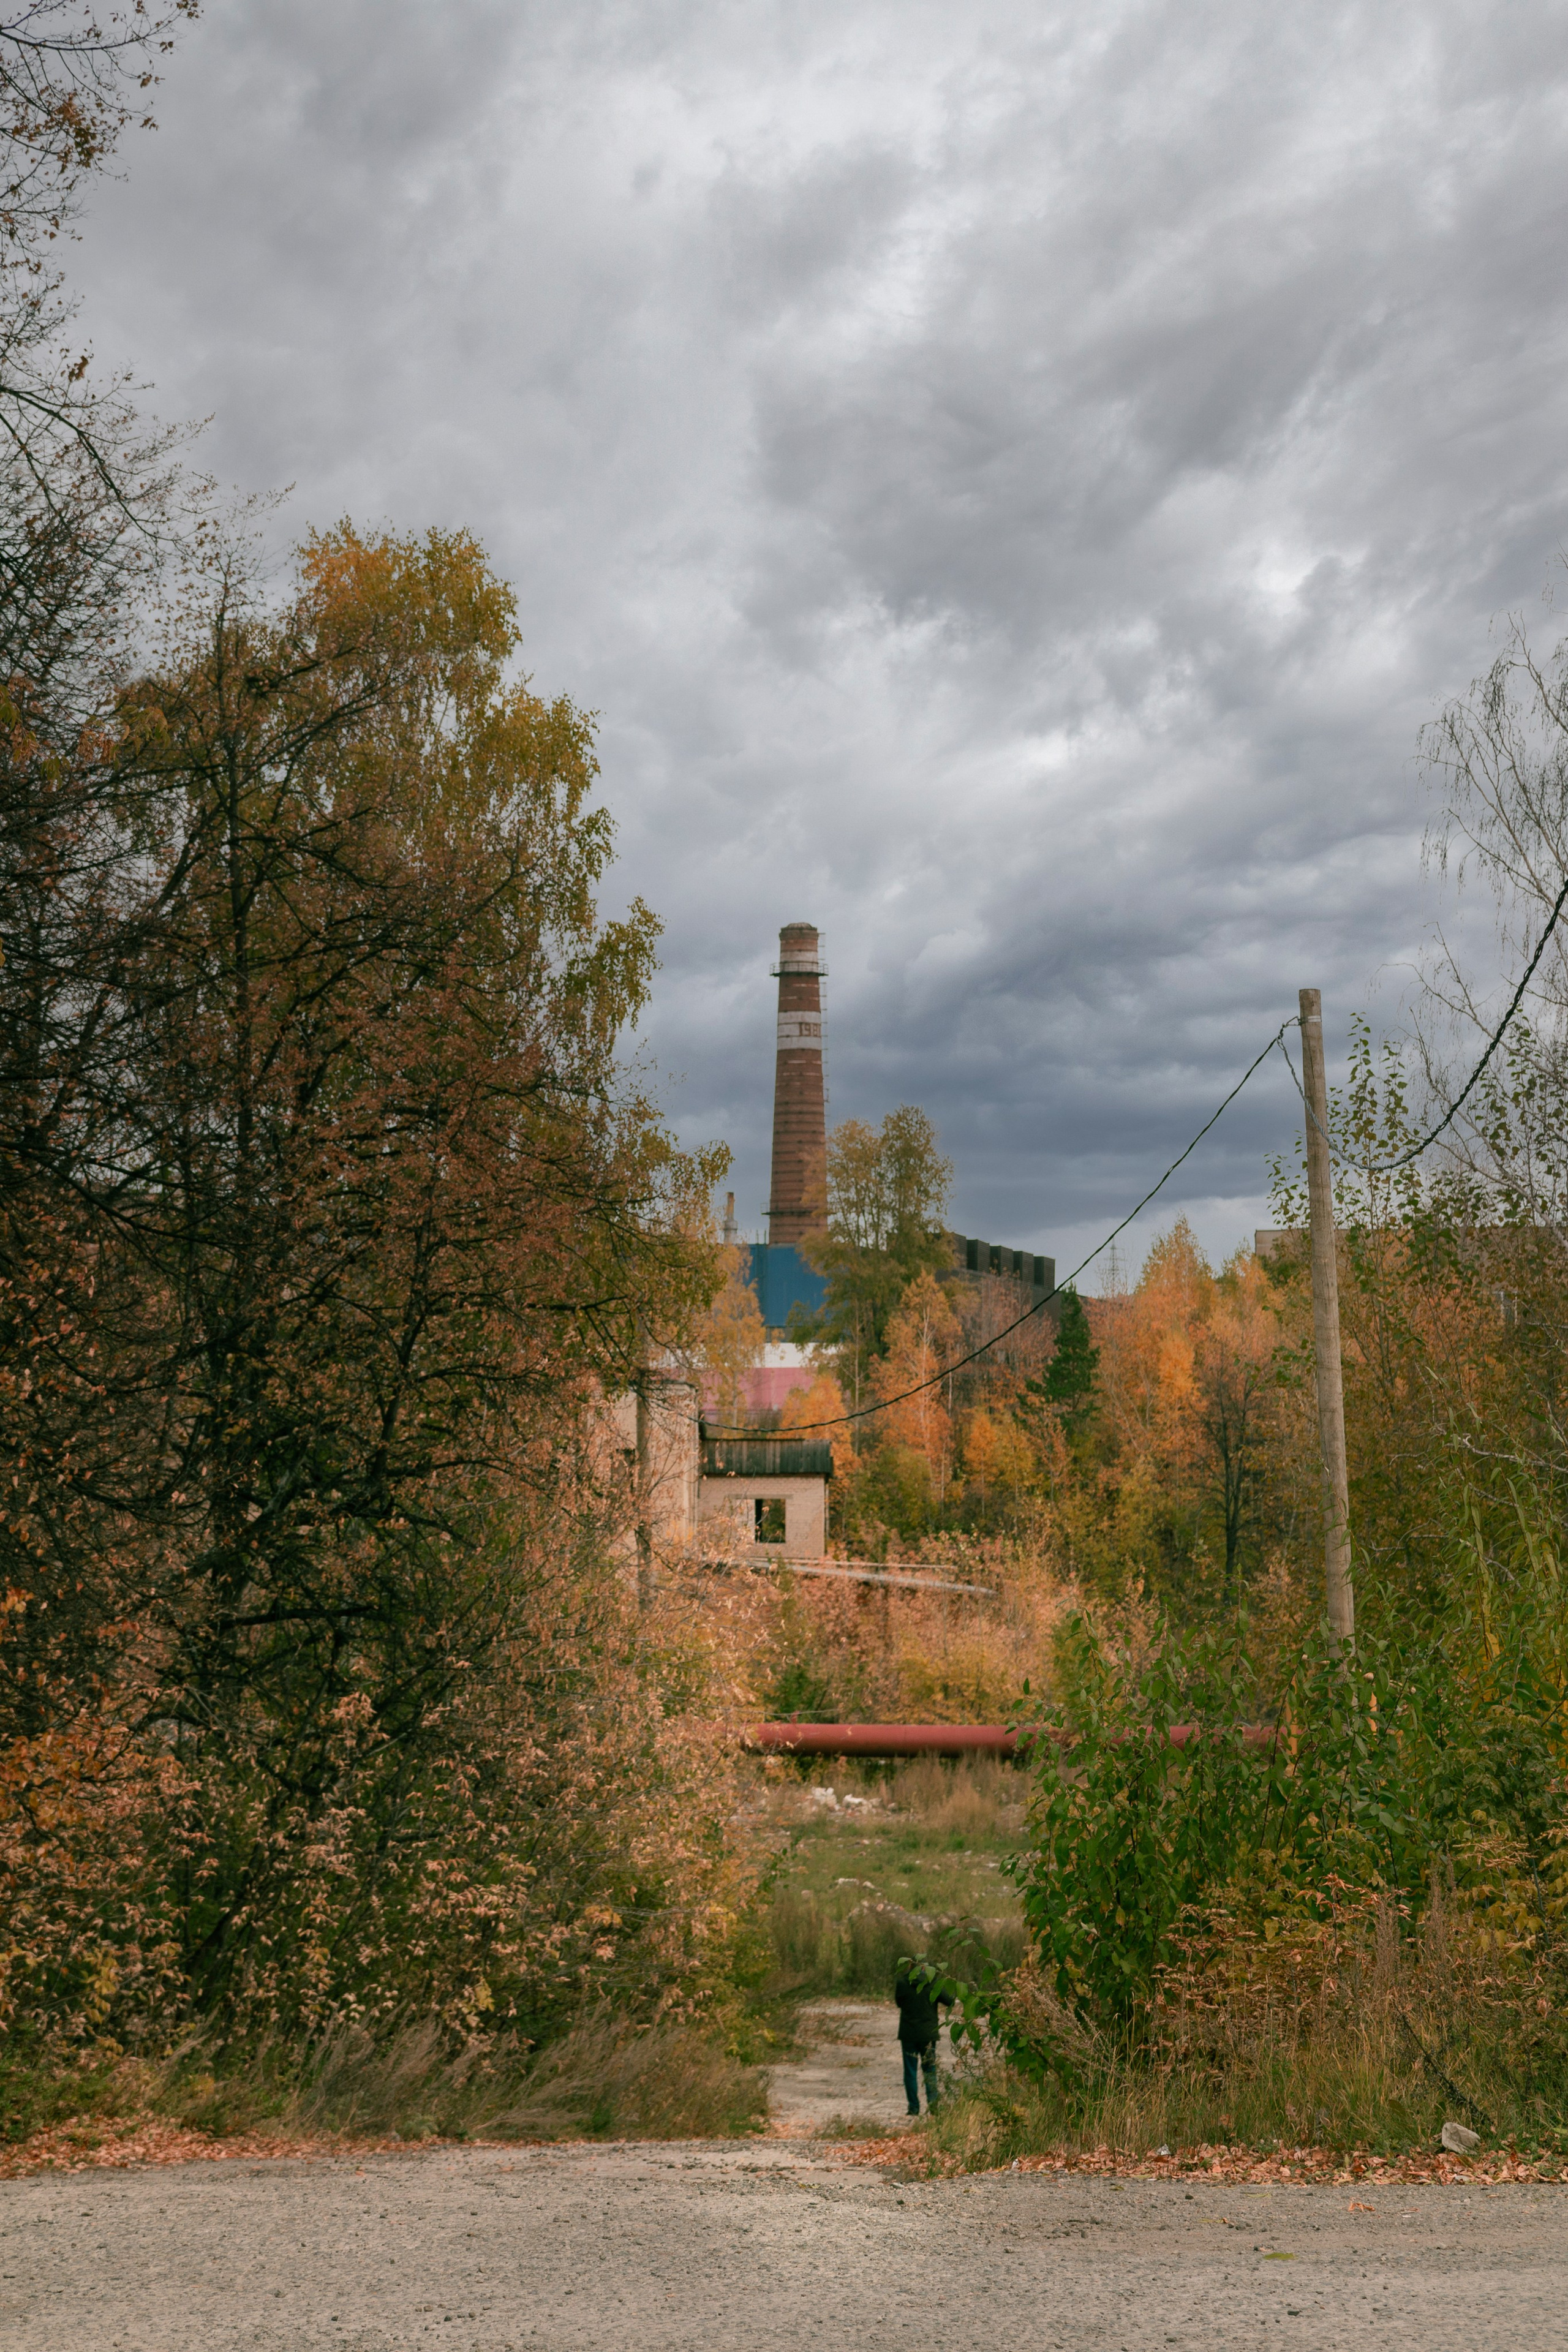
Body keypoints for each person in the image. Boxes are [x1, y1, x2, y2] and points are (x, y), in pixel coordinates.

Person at [894, 1956, 951, 2116]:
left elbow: (899, 2003)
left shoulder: (902, 1983)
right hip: (928, 2035)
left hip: (908, 2034)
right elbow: (950, 2001)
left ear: (910, 1966)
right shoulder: (933, 1984)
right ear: (927, 1968)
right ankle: (933, 2106)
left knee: (910, 2071)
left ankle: (913, 2108)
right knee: (930, 2070)